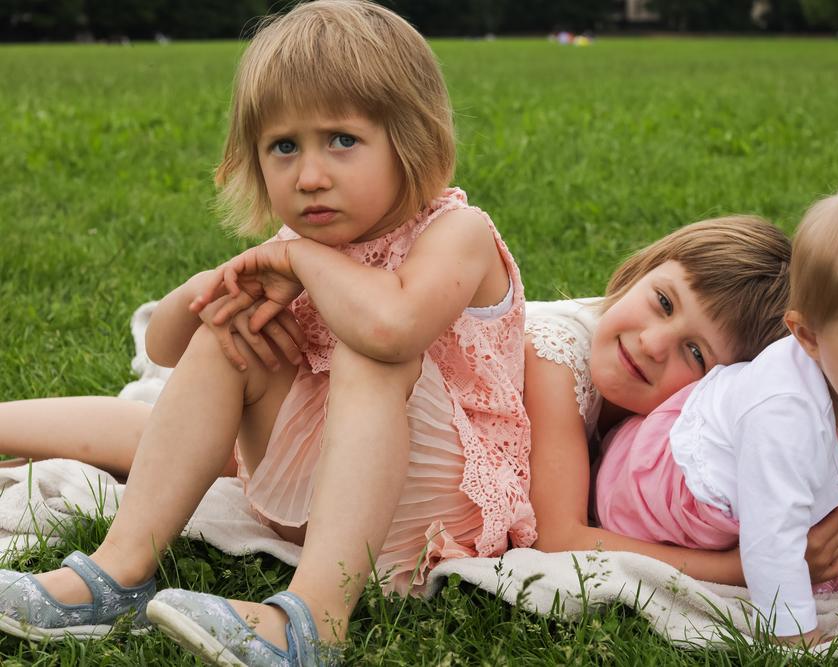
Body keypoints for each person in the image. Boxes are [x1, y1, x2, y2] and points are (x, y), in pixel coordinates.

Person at [0, 1, 530, 664]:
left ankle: (313, 623)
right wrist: (207, 295)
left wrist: (302, 260)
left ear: (410, 137)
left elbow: (391, 327)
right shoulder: (292, 245)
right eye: (285, 147)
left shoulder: (458, 233)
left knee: (369, 348)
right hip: (312, 505)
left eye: (342, 139)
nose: (309, 175)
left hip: (434, 516)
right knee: (230, 335)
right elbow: (165, 350)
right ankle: (116, 572)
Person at [593, 177, 838, 645]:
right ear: (808, 339)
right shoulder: (783, 416)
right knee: (815, 546)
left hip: (745, 463)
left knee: (837, 534)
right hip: (646, 489)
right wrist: (795, 638)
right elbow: (771, 537)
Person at [525, 215, 838, 585]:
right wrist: (748, 568)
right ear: (642, 271)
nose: (652, 344)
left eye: (696, 353)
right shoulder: (554, 356)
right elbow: (556, 540)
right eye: (664, 302)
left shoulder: (667, 438)